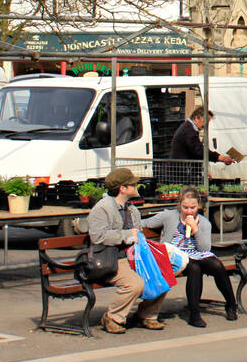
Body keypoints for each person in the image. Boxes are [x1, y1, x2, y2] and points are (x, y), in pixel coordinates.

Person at [87, 167, 166, 333]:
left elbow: (139, 232)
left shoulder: (131, 209)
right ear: (122, 188)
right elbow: (98, 237)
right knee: (134, 284)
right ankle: (113, 317)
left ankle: (147, 315)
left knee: (162, 276)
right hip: (112, 259)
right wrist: (126, 235)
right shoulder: (102, 209)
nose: (136, 185)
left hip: (133, 257)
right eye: (133, 183)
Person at [144, 188, 238, 328]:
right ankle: (194, 314)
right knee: (194, 268)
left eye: (193, 208)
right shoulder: (170, 216)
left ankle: (231, 304)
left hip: (198, 252)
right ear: (179, 205)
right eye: (185, 207)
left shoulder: (204, 222)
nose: (189, 211)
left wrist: (195, 229)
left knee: (217, 265)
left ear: (198, 205)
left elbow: (205, 248)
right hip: (177, 254)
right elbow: (145, 223)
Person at [170, 106, 236, 178]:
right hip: (181, 172)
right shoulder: (188, 131)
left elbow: (195, 153)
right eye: (206, 121)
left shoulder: (189, 128)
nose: (206, 125)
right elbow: (199, 151)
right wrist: (220, 157)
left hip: (183, 170)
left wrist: (201, 171)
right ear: (197, 118)